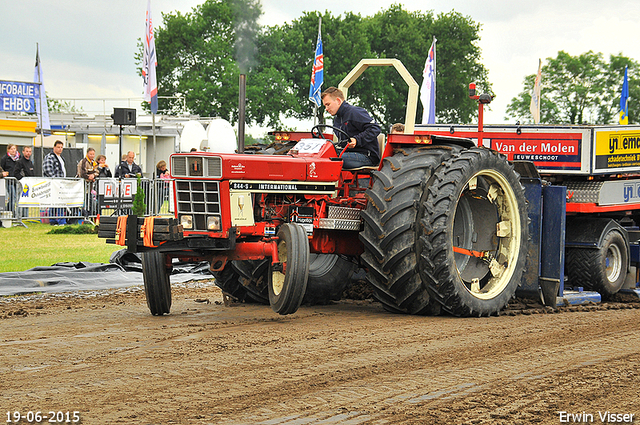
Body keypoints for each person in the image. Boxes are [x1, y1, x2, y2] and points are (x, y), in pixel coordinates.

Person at [321, 87, 381, 169]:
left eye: (328, 105)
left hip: (366, 155)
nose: (326, 109)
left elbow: (375, 128)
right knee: (322, 154)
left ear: (338, 101)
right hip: (348, 152)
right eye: (325, 106)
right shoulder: (337, 120)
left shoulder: (355, 112)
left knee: (330, 160)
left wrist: (356, 140)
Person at [42, 140, 67, 225]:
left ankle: (54, 220)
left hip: (60, 183)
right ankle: (58, 220)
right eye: (58, 147)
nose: (60, 149)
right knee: (56, 202)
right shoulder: (49, 157)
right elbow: (47, 170)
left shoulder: (62, 158)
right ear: (54, 147)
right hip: (54, 183)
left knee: (56, 202)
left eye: (61, 147)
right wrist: (55, 180)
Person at [1, 144, 20, 215]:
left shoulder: (19, 158)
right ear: (8, 150)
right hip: (9, 180)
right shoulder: (5, 158)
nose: (13, 150)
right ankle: (11, 211)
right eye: (11, 149)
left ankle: (11, 211)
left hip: (17, 180)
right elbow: (2, 168)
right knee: (12, 196)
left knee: (16, 197)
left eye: (14, 149)